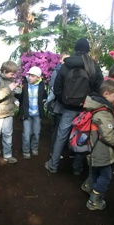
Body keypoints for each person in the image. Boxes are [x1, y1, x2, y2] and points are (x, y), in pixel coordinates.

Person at [45, 38, 104, 175]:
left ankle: (53, 165)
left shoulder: (67, 65)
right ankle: (77, 168)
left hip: (68, 108)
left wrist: (65, 101)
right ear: (88, 49)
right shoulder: (93, 66)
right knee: (82, 136)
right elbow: (99, 88)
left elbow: (58, 88)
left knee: (61, 136)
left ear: (75, 49)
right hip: (86, 109)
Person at [81, 80, 114, 210]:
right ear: (106, 94)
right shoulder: (103, 112)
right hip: (101, 149)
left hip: (94, 146)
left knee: (95, 170)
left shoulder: (96, 107)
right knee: (106, 175)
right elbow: (107, 135)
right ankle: (94, 200)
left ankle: (88, 186)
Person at [0, 61, 22, 164]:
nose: (13, 76)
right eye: (11, 74)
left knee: (7, 133)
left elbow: (10, 95)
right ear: (4, 71)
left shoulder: (10, 79)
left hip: (8, 111)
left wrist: (15, 99)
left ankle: (8, 155)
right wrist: (9, 88)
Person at [15, 66, 47, 159]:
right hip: (27, 113)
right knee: (26, 133)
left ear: (38, 77)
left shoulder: (41, 85)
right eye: (29, 75)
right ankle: (26, 151)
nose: (30, 77)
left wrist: (45, 100)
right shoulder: (24, 84)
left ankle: (34, 148)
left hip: (37, 114)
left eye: (32, 76)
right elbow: (20, 96)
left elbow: (44, 95)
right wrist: (16, 95)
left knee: (36, 133)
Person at [46, 52, 70, 157]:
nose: (67, 61)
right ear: (60, 60)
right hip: (58, 103)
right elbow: (53, 86)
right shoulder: (57, 71)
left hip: (66, 104)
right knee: (57, 129)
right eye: (65, 59)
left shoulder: (70, 70)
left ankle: (60, 150)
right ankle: (53, 151)